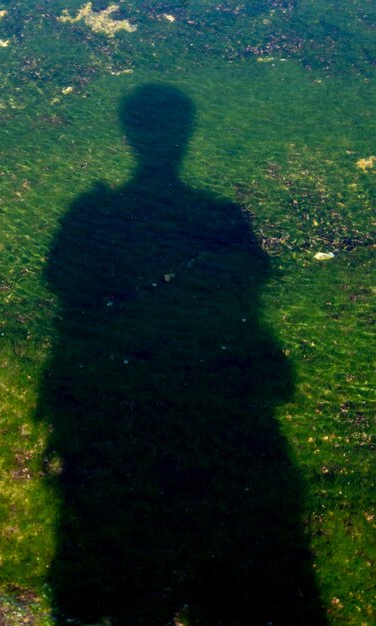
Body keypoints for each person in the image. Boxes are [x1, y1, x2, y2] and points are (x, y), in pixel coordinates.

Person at [38, 84, 326, 626]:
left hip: (121, 409)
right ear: (184, 134)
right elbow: (248, 301)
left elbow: (68, 298)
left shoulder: (93, 217)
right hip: (210, 404)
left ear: (129, 134)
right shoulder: (220, 218)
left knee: (129, 570)